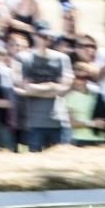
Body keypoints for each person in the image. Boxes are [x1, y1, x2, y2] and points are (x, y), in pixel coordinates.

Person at [16, 24, 71, 152]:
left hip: (59, 120)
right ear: (34, 36)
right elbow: (24, 89)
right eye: (42, 36)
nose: (46, 39)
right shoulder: (24, 58)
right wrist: (52, 87)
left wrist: (36, 89)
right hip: (34, 121)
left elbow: (65, 88)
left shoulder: (62, 58)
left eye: (49, 37)